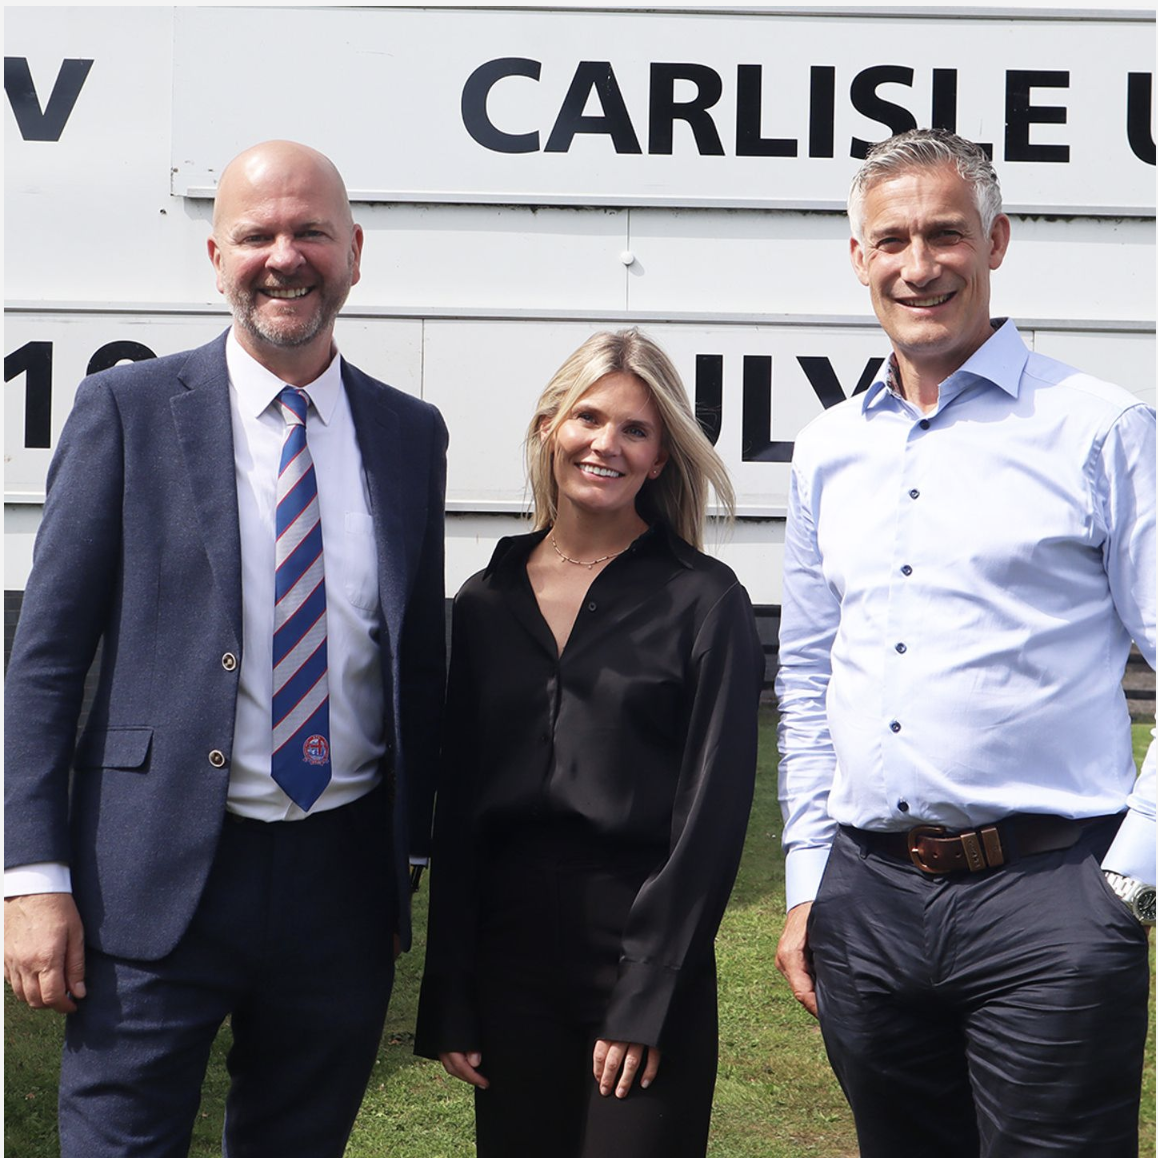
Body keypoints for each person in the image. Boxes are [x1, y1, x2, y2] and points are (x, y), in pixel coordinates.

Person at [3, 140, 448, 1157]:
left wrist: (405, 855)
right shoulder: (127, 410)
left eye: (310, 233)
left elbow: (415, 659)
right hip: (147, 879)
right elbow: (44, 662)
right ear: (216, 257)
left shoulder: (409, 433)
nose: (284, 256)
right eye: (257, 235)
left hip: (340, 885)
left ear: (354, 252)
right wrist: (32, 878)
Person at [774, 127, 1155, 1158]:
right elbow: (807, 675)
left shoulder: (1099, 429)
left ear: (998, 242)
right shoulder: (828, 450)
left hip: (1052, 899)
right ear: (859, 258)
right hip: (869, 902)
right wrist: (811, 879)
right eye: (891, 239)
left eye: (946, 234)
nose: (918, 264)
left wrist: (1130, 882)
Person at [414, 329, 763, 1157]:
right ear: (549, 428)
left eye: (635, 431)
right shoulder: (485, 602)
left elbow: (712, 821)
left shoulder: (705, 602)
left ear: (660, 459)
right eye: (589, 418)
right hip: (509, 969)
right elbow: (457, 815)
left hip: (639, 953)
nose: (606, 443)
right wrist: (453, 994)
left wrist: (648, 996)